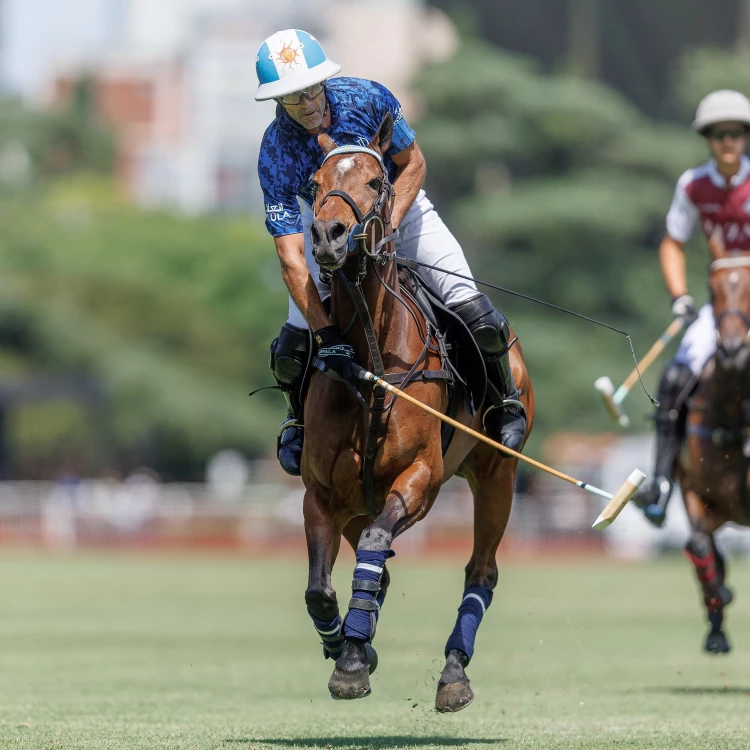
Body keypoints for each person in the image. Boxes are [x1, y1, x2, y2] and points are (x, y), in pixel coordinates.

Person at [255, 29, 527, 476]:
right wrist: (325, 335)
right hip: (328, 226)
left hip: (399, 207)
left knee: (478, 313)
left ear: (324, 81)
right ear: (276, 102)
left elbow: (413, 163)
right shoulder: (275, 151)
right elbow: (289, 255)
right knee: (290, 347)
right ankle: (297, 421)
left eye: (311, 90)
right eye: (291, 98)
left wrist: (389, 225)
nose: (307, 104)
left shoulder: (367, 99)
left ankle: (503, 403)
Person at [636, 89, 750, 526]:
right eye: (720, 134)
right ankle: (662, 482)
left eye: (736, 133)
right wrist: (680, 296)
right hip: (724, 308)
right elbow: (673, 243)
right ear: (708, 138)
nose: (728, 141)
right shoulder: (693, 184)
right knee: (676, 377)